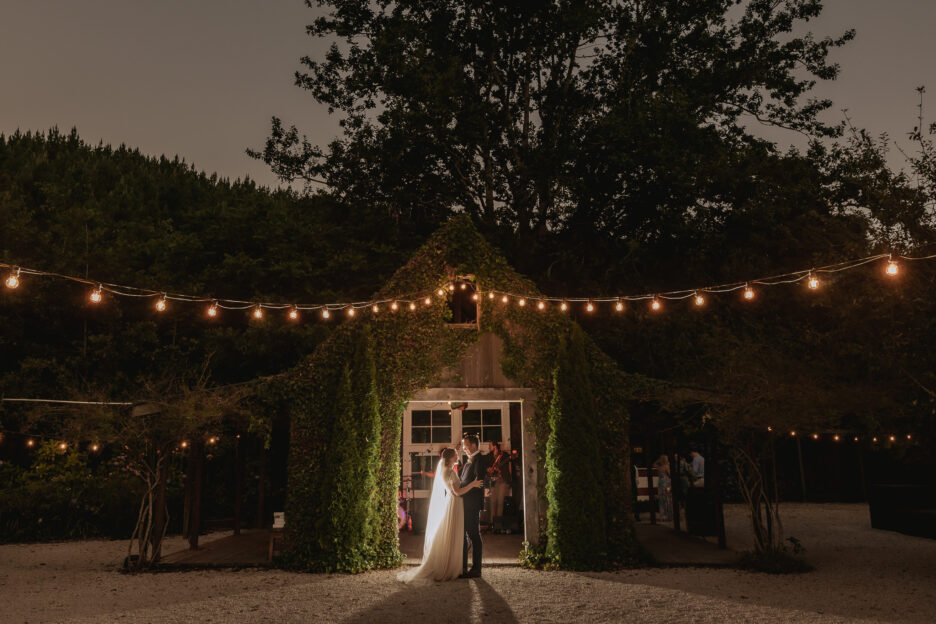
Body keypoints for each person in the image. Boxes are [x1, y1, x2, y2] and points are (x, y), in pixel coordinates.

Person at [398, 448, 483, 583]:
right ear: (450, 458)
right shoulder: (450, 472)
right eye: (455, 455)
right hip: (455, 503)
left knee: (452, 534)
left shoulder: (444, 471)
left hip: (451, 503)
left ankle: (454, 565)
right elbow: (457, 492)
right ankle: (453, 567)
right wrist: (473, 484)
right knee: (455, 534)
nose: (457, 456)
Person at [459, 433, 487, 578]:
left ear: (474, 445)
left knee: (474, 534)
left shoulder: (480, 460)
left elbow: (478, 483)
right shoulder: (469, 460)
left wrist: (461, 489)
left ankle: (476, 568)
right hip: (464, 502)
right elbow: (465, 480)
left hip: (472, 504)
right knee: (463, 534)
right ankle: (463, 567)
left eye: (466, 445)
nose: (464, 448)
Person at [486, 441, 511, 524]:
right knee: (492, 501)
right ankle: (491, 522)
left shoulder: (504, 455)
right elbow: (486, 467)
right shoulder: (489, 456)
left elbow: (508, 467)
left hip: (502, 481)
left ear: (494, 447)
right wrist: (488, 469)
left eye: (490, 445)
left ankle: (498, 523)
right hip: (493, 481)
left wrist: (499, 469)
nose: (489, 447)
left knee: (500, 501)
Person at [652, 454, 673, 522]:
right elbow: (670, 475)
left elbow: (653, 464)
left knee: (661, 499)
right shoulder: (666, 466)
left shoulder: (658, 466)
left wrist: (658, 460)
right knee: (668, 498)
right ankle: (669, 515)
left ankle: (663, 516)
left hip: (660, 482)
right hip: (666, 482)